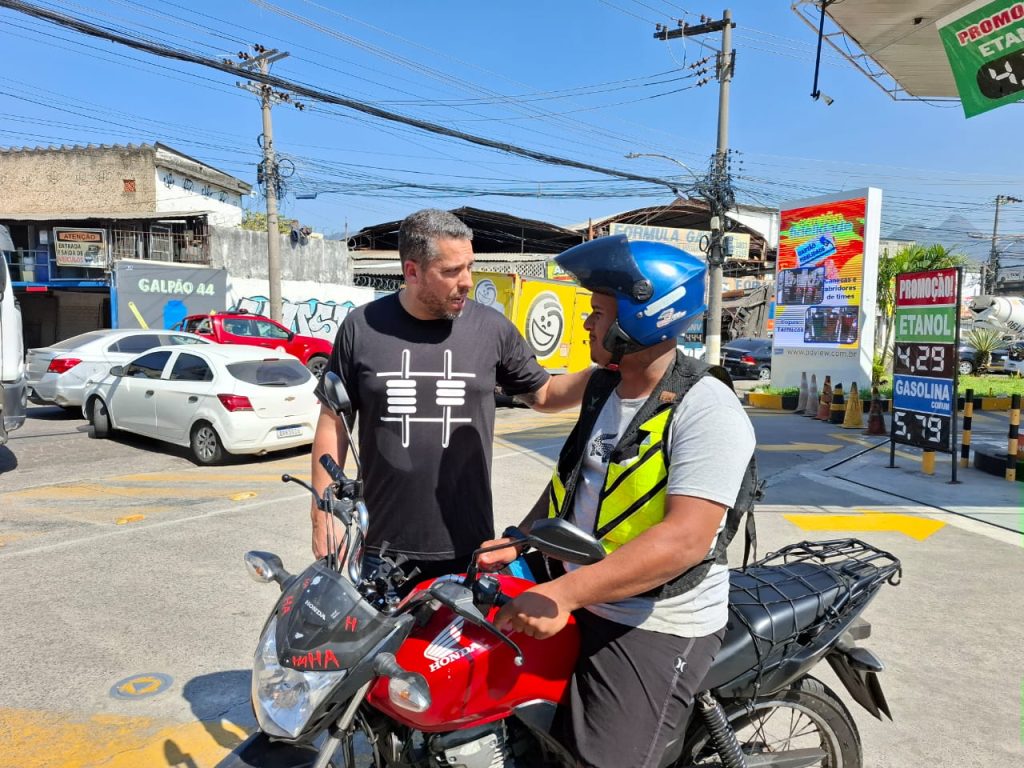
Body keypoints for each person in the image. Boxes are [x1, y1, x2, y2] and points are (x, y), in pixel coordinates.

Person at [477, 235, 757, 768]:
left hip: (658, 616)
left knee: (594, 758)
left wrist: (562, 595)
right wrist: (520, 541)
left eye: (599, 313)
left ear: (643, 318)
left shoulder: (707, 408)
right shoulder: (607, 384)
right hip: (589, 590)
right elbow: (572, 476)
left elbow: (685, 541)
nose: (587, 323)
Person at [309, 208, 592, 585]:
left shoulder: (491, 329)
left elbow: (544, 393)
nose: (467, 282)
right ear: (411, 271)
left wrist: (604, 372)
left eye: (469, 267)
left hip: (467, 546)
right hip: (380, 547)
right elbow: (333, 423)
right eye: (451, 272)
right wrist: (322, 511)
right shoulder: (361, 328)